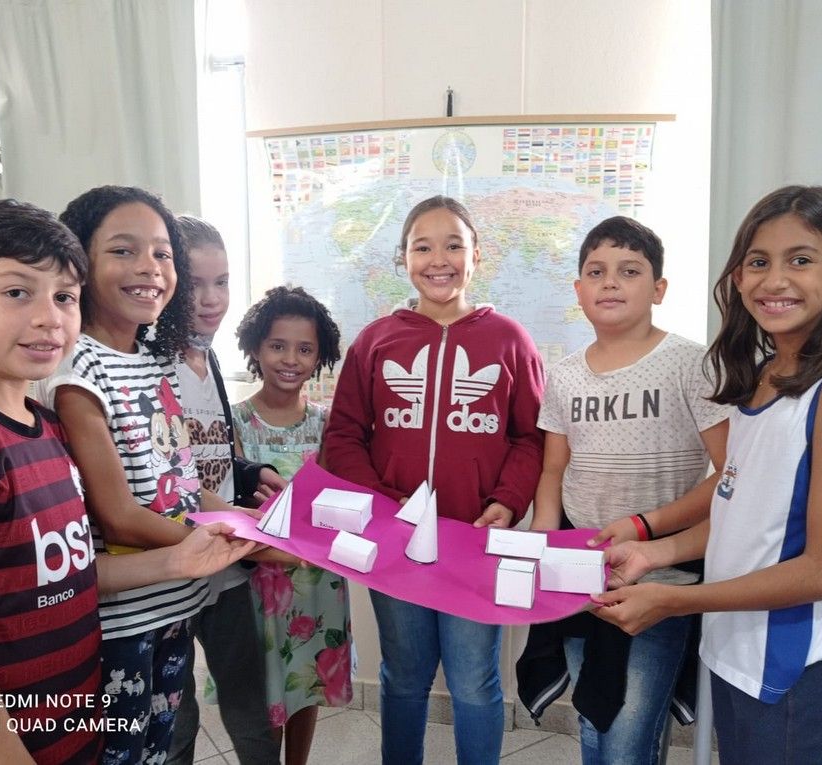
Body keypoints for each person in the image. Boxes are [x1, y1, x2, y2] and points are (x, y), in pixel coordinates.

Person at [0, 200, 256, 764]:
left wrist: (180, 559)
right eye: (17, 292)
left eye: (64, 296)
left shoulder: (45, 429)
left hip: (71, 725)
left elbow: (70, 572)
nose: (49, 318)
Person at [594, 186, 822, 765]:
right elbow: (743, 511)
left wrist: (676, 601)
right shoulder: (766, 376)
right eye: (758, 262)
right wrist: (655, 552)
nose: (774, 280)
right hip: (734, 654)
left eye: (800, 260)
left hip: (793, 675)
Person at [36, 186, 289, 764]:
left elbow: (183, 485)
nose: (149, 268)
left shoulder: (155, 361)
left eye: (161, 253)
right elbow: (118, 516)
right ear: (80, 261)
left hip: (176, 603)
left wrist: (251, 522)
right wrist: (236, 543)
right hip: (123, 620)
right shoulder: (78, 366)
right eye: (123, 251)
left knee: (160, 748)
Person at [323, 195, 545, 764]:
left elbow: (531, 437)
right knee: (403, 675)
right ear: (403, 257)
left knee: (474, 681)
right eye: (423, 246)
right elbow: (344, 435)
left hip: (474, 541)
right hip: (397, 543)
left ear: (477, 255)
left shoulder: (510, 341)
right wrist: (381, 504)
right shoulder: (375, 341)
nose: (438, 259)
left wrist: (508, 500)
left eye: (453, 245)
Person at [522, 215, 729, 764]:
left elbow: (732, 475)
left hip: (661, 576)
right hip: (581, 572)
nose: (610, 282)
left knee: (629, 739)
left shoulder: (693, 363)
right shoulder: (564, 374)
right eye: (596, 272)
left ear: (658, 289)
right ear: (579, 291)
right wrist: (542, 545)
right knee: (593, 719)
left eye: (629, 271)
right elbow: (553, 471)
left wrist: (646, 528)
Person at [167, 216, 282, 765]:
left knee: (250, 706)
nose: (212, 300)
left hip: (227, 564)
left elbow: (209, 452)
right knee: (176, 719)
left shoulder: (209, 356)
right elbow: (165, 476)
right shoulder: (149, 365)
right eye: (195, 284)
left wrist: (251, 471)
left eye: (223, 282)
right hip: (170, 561)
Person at [233, 284, 350, 765]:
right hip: (255, 583)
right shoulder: (234, 422)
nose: (290, 359)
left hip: (317, 582)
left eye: (305, 349)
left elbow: (341, 500)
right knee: (262, 691)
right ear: (256, 348)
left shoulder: (329, 424)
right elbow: (228, 499)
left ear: (320, 357)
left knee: (307, 681)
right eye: (278, 345)